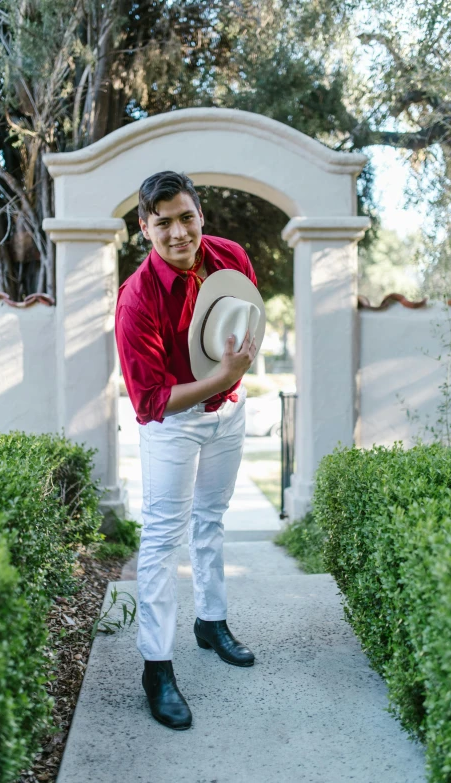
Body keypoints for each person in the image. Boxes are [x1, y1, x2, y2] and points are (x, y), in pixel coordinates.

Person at [114, 171, 262, 731]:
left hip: (231, 412)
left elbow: (249, 318)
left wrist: (233, 380)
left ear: (200, 214)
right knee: (160, 538)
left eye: (186, 218)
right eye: (163, 223)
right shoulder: (137, 299)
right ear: (144, 228)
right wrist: (223, 375)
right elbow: (151, 402)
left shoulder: (229, 256)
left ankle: (212, 621)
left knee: (211, 519)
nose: (178, 233)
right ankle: (157, 665)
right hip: (174, 424)